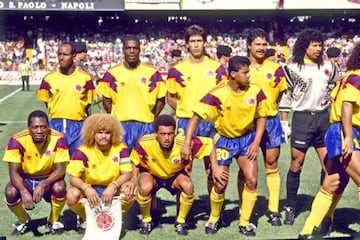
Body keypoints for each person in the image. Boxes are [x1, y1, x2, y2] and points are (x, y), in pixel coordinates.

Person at [181, 56, 267, 236]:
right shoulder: (217, 93)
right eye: (245, 73)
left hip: (246, 139)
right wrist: (187, 143)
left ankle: (245, 221)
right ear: (233, 74)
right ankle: (214, 217)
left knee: (251, 179)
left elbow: (262, 117)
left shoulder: (255, 92)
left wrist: (257, 141)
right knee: (220, 183)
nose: (249, 76)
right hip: (223, 140)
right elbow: (195, 117)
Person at [299, 42, 360, 239]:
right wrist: (348, 137)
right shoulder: (356, 77)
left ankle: (309, 230)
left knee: (334, 182)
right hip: (346, 131)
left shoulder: (348, 76)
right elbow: (347, 106)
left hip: (343, 130)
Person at [279, 28, 339, 226]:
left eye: (319, 44)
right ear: (304, 46)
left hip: (324, 119)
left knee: (328, 166)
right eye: (313, 45)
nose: (317, 48)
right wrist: (284, 122)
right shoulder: (293, 68)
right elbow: (286, 97)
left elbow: (338, 92)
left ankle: (324, 210)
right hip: (303, 120)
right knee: (296, 164)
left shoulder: (330, 67)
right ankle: (290, 206)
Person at [130, 114, 227, 236]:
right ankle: (146, 219)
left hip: (174, 176)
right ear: (156, 134)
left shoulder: (183, 143)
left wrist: (216, 167)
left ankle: (181, 221)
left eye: (170, 134)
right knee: (145, 186)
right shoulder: (144, 142)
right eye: (163, 134)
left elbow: (209, 144)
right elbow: (135, 160)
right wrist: (134, 178)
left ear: (174, 133)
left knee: (188, 186)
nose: (167, 138)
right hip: (153, 174)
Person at [167, 24, 228, 194]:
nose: (196, 44)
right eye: (192, 41)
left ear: (204, 43)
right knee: (184, 169)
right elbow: (170, 97)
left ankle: (214, 214)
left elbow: (223, 96)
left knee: (212, 169)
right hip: (186, 123)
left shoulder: (216, 68)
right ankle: (182, 217)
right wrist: (186, 110)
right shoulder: (177, 70)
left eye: (199, 41)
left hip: (211, 123)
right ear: (186, 44)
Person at [245, 28, 287, 226]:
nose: (261, 48)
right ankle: (245, 209)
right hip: (247, 123)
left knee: (272, 163)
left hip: (270, 121)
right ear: (249, 46)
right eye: (257, 44)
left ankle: (273, 209)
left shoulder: (276, 68)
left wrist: (268, 108)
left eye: (264, 44)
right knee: (246, 167)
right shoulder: (242, 67)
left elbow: (278, 95)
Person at [3, 110, 69, 236]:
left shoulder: (58, 138)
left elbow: (61, 170)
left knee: (60, 187)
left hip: (49, 179)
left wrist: (43, 184)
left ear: (48, 127)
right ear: (29, 128)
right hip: (26, 179)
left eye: (43, 127)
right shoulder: (17, 140)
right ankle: (24, 221)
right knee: (10, 192)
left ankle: (53, 220)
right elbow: (13, 172)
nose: (39, 131)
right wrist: (23, 191)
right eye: (35, 127)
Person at [66, 113, 135, 232]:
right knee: (72, 195)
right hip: (90, 189)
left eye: (107, 132)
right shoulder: (81, 151)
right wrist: (86, 188)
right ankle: (86, 217)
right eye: (99, 132)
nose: (104, 136)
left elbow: (127, 173)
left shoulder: (121, 148)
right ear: (92, 133)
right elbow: (73, 178)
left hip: (112, 187)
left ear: (113, 133)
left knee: (129, 191)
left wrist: (113, 186)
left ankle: (115, 216)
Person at [97, 34, 166, 151]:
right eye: (128, 48)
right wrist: (116, 118)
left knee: (145, 164)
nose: (132, 51)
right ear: (123, 50)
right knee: (122, 163)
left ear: (140, 50)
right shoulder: (112, 74)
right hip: (121, 125)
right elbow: (106, 101)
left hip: (145, 125)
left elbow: (161, 100)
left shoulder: (152, 73)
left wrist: (152, 116)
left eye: (135, 48)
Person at [37, 41, 97, 154]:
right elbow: (47, 102)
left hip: (78, 127)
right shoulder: (48, 79)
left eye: (65, 54)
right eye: (59, 54)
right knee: (56, 167)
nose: (61, 58)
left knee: (78, 167)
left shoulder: (86, 78)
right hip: (55, 125)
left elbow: (88, 103)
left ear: (73, 56)